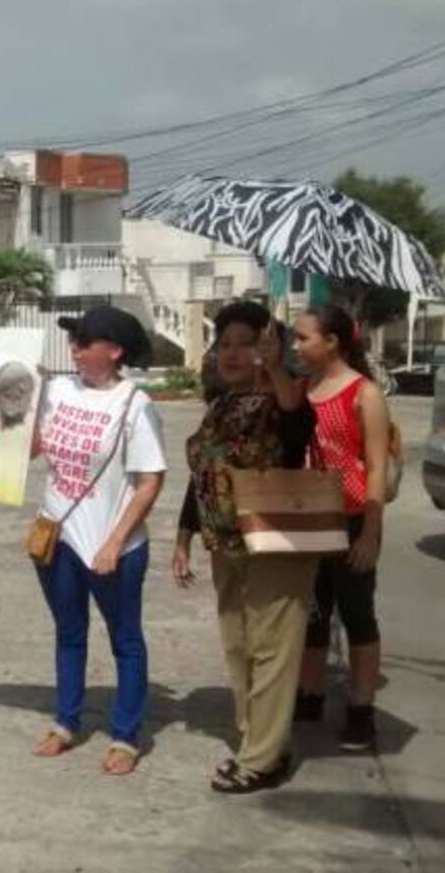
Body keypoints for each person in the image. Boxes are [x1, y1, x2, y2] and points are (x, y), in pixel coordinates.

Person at [172, 301, 318, 794]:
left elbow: (298, 429)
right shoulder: (221, 403)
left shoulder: (285, 399)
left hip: (275, 539)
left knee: (271, 648)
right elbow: (202, 476)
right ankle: (261, 739)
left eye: (246, 343)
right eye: (225, 343)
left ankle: (260, 758)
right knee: (237, 646)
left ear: (266, 347)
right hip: (225, 542)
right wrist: (184, 536)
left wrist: (276, 369)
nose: (232, 353)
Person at [29, 305, 166, 776]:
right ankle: (67, 721)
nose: (75, 349)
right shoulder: (59, 392)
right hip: (58, 536)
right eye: (74, 340)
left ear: (114, 351)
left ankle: (126, 735)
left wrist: (114, 542)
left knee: (125, 639)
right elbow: (31, 448)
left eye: (85, 341)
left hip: (114, 547)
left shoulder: (134, 404)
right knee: (69, 633)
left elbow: (150, 481)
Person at [292, 305, 390, 751]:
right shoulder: (302, 389)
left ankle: (361, 708)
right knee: (312, 613)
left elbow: (375, 468)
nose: (296, 345)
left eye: (303, 337)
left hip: (351, 517)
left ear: (331, 342)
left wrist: (370, 532)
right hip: (308, 516)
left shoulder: (364, 394)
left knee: (356, 615)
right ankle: (309, 693)